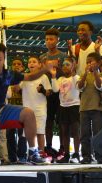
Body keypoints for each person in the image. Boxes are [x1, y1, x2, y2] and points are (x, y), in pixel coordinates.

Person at [39, 28, 67, 161]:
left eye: (51, 39)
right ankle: (48, 147)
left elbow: (67, 72)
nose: (49, 41)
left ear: (57, 40)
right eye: (47, 39)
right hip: (47, 93)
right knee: (48, 121)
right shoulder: (42, 57)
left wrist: (57, 66)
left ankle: (63, 148)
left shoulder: (63, 56)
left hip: (61, 93)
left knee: (62, 122)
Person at [19, 55, 52, 162]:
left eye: (34, 61)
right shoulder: (24, 77)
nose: (31, 64)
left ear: (39, 65)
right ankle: (32, 154)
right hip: (27, 110)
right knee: (29, 133)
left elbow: (49, 92)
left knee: (40, 132)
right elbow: (15, 88)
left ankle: (41, 154)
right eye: (29, 62)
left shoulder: (43, 77)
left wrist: (42, 90)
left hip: (40, 108)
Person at [77, 52, 102, 164]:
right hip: (84, 108)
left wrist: (95, 72)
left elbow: (100, 86)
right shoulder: (82, 75)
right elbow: (79, 87)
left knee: (98, 133)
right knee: (84, 134)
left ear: (98, 63)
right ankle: (86, 156)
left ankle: (100, 156)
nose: (89, 64)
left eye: (91, 62)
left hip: (98, 108)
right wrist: (85, 74)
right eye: (87, 62)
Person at [50, 57, 81, 163]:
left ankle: (76, 154)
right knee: (64, 132)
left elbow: (79, 86)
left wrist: (73, 71)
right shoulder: (60, 79)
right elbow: (54, 89)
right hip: (63, 107)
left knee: (75, 130)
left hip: (74, 106)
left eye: (68, 64)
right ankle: (66, 155)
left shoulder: (77, 77)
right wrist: (53, 76)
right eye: (63, 65)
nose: (65, 66)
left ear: (73, 66)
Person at [6, 57, 27, 164]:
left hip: (22, 110)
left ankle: (22, 156)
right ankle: (12, 157)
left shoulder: (26, 79)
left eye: (19, 64)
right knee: (9, 134)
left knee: (22, 134)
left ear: (23, 67)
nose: (16, 65)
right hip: (10, 110)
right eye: (14, 64)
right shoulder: (7, 79)